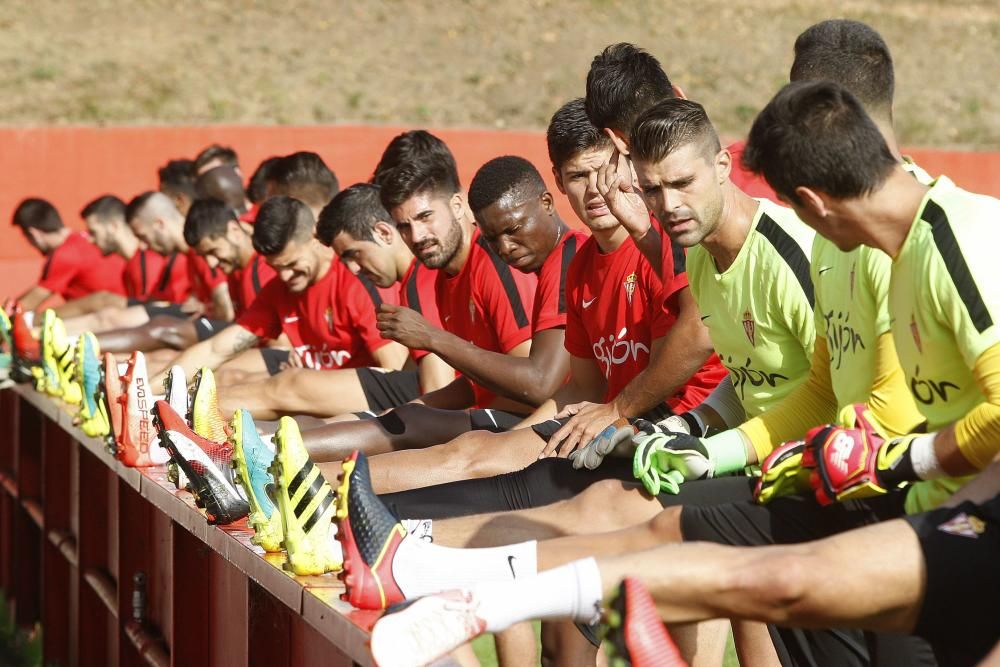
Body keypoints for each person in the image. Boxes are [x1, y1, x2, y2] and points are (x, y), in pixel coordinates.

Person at [218, 183, 453, 419]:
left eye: (354, 254)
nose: (352, 267)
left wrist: (384, 422)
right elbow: (411, 373)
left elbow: (436, 410)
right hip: (419, 398)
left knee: (296, 391)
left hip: (453, 416)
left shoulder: (408, 282)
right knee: (250, 380)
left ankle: (196, 418)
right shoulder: (409, 282)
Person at [150, 195, 409, 387]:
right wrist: (153, 390)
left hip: (367, 399)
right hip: (316, 390)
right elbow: (217, 349)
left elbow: (396, 373)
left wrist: (315, 380)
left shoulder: (356, 282)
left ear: (315, 239)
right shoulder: (279, 290)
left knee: (286, 386)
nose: (285, 276)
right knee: (222, 387)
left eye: (293, 265)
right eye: (276, 268)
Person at [53, 194, 168, 319]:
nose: (90, 240)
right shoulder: (132, 265)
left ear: (113, 226)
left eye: (93, 232)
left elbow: (152, 317)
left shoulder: (147, 262)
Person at [12, 197, 127, 312]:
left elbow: (25, 306)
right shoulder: (80, 240)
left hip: (117, 316)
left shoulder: (65, 254)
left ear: (34, 234)